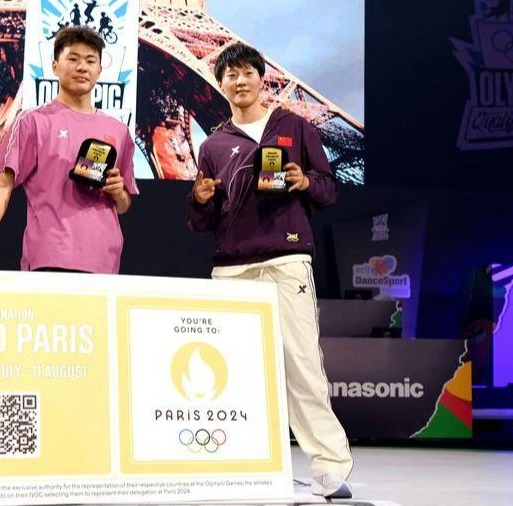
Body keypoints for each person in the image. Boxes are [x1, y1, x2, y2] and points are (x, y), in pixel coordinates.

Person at [187, 42, 354, 499]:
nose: (239, 82)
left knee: (302, 365)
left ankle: (329, 466)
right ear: (220, 84)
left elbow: (329, 189)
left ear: (263, 78)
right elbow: (201, 222)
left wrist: (304, 181)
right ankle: (234, 458)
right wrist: (199, 198)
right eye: (230, 76)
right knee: (230, 371)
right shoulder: (213, 143)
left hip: (285, 259)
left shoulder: (294, 126)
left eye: (246, 73)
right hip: (231, 267)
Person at [0, 26, 137, 287]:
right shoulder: (33, 121)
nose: (82, 67)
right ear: (55, 66)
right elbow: (2, 185)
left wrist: (117, 191)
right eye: (73, 58)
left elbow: (123, 205)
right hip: (49, 256)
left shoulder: (119, 131)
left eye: (90, 61)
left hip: (105, 263)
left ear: (100, 70)